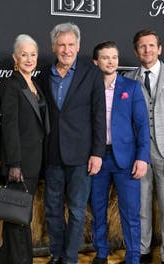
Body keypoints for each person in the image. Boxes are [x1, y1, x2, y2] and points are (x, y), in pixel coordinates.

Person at [38, 22, 106, 264]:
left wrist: (97, 153)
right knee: (52, 210)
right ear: (54, 47)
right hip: (53, 153)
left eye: (71, 44)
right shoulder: (44, 74)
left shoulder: (92, 73)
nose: (66, 49)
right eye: (61, 45)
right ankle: (56, 254)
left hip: (81, 155)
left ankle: (69, 258)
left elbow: (99, 116)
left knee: (77, 211)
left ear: (78, 46)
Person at [125, 29, 164, 264]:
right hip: (139, 154)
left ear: (160, 49)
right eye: (142, 46)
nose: (147, 50)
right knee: (141, 206)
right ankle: (142, 252)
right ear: (136, 51)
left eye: (152, 45)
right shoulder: (130, 79)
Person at [89, 41, 150, 264]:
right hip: (97, 158)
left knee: (131, 212)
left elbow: (143, 126)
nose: (111, 61)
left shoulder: (131, 87)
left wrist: (142, 158)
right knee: (98, 209)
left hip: (127, 158)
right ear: (96, 62)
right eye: (105, 57)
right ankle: (101, 252)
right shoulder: (89, 88)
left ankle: (133, 256)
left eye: (114, 57)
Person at [0, 34, 49, 264]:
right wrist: (14, 163)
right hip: (20, 162)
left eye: (33, 54)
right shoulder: (12, 84)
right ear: (15, 57)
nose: (29, 59)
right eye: (24, 54)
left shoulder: (34, 84)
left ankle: (11, 259)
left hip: (35, 160)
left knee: (21, 214)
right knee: (16, 215)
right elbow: (9, 126)